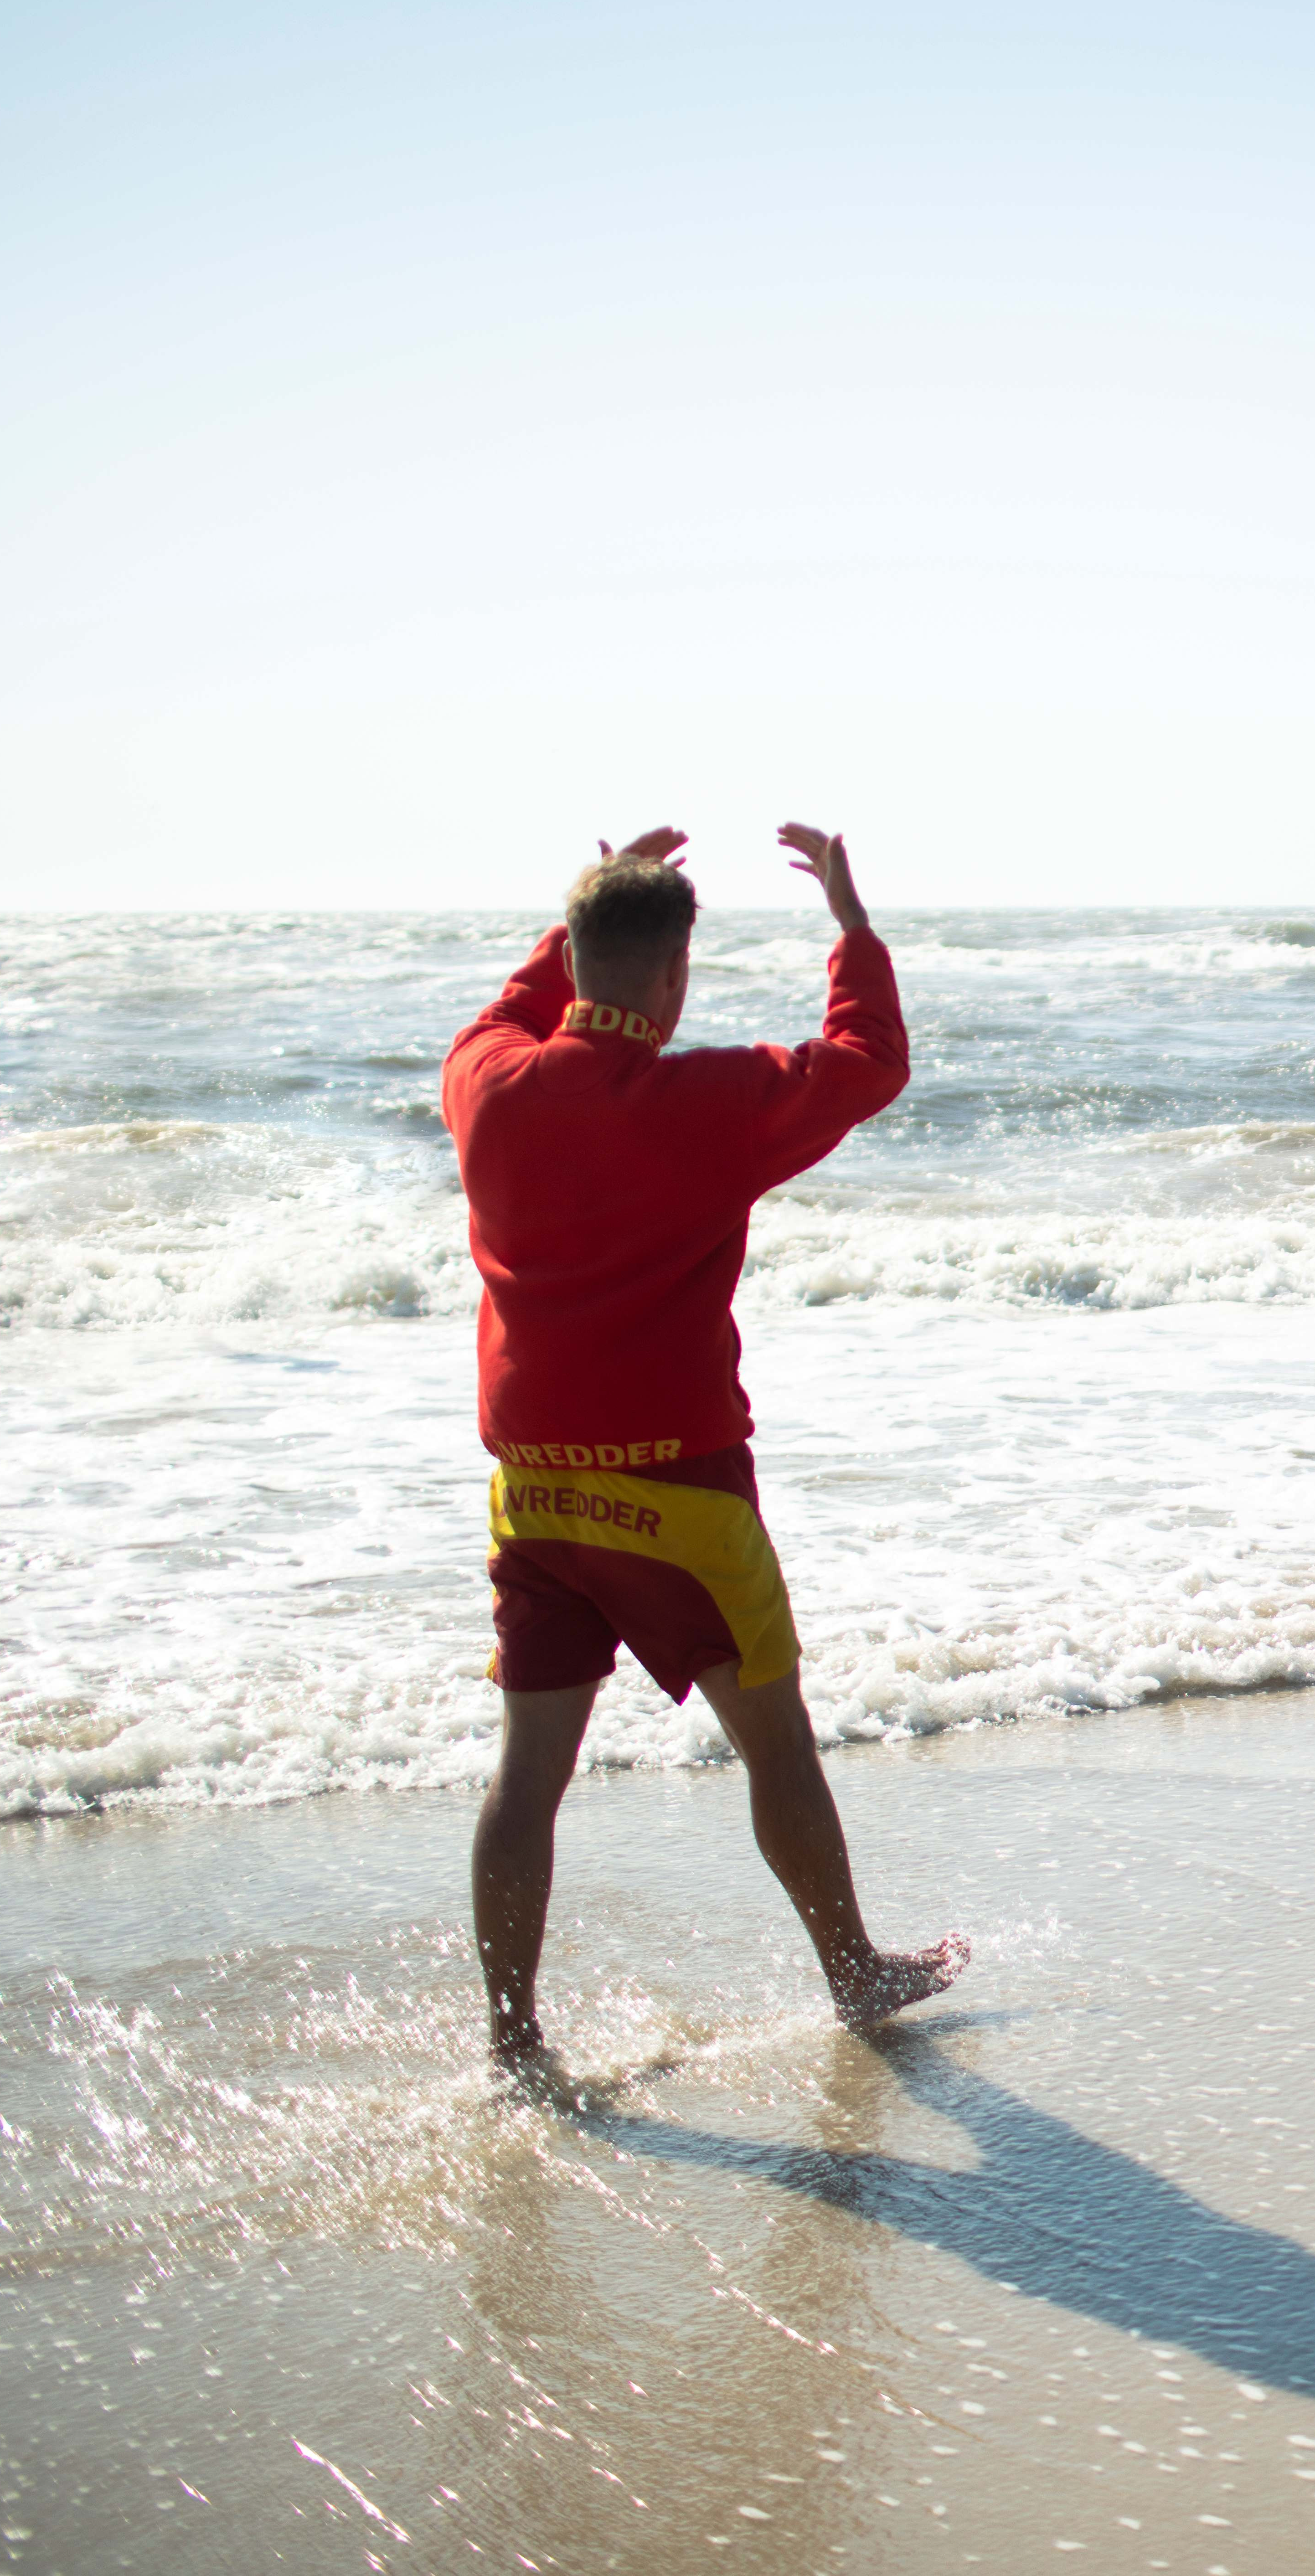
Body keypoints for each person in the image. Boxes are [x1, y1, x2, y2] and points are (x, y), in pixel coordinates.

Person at [442, 821, 966, 2062]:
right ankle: (855, 1973)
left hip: (534, 1501)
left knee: (529, 1778)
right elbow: (867, 1059)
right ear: (674, 978)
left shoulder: (484, 1081)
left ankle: (515, 2044)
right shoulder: (707, 1101)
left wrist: (564, 933)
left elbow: (507, 1013)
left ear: (573, 962)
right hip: (679, 1499)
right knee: (773, 1743)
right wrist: (850, 928)